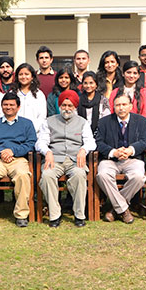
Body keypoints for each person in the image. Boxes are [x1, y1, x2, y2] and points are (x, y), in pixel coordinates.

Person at [36, 90, 96, 227]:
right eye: (64, 105)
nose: (67, 109)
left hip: (75, 159)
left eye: (70, 106)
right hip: (54, 159)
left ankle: (79, 215)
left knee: (80, 175)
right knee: (46, 176)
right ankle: (54, 215)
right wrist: (47, 152)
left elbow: (91, 142)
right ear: (59, 106)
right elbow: (41, 142)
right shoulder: (49, 121)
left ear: (75, 107)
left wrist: (83, 150)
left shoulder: (83, 122)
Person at [0, 92, 38, 228]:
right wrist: (0, 152)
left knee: (23, 175)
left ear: (18, 107)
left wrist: (13, 151)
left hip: (18, 159)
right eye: (5, 105)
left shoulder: (27, 124)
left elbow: (31, 143)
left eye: (12, 105)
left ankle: (21, 215)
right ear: (1, 106)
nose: (8, 107)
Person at [95, 92, 146, 224]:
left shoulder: (141, 121)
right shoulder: (104, 122)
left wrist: (131, 150)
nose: (121, 108)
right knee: (102, 175)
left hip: (133, 159)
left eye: (124, 104)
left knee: (138, 177)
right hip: (110, 160)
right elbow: (99, 142)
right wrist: (114, 152)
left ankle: (114, 210)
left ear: (131, 106)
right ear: (113, 107)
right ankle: (124, 210)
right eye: (118, 105)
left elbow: (145, 141)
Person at [12, 63, 47, 128]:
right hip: (14, 132)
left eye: (26, 74)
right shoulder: (12, 93)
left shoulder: (39, 94)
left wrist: (32, 129)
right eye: (20, 74)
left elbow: (42, 116)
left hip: (34, 131)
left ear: (32, 77)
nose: (23, 77)